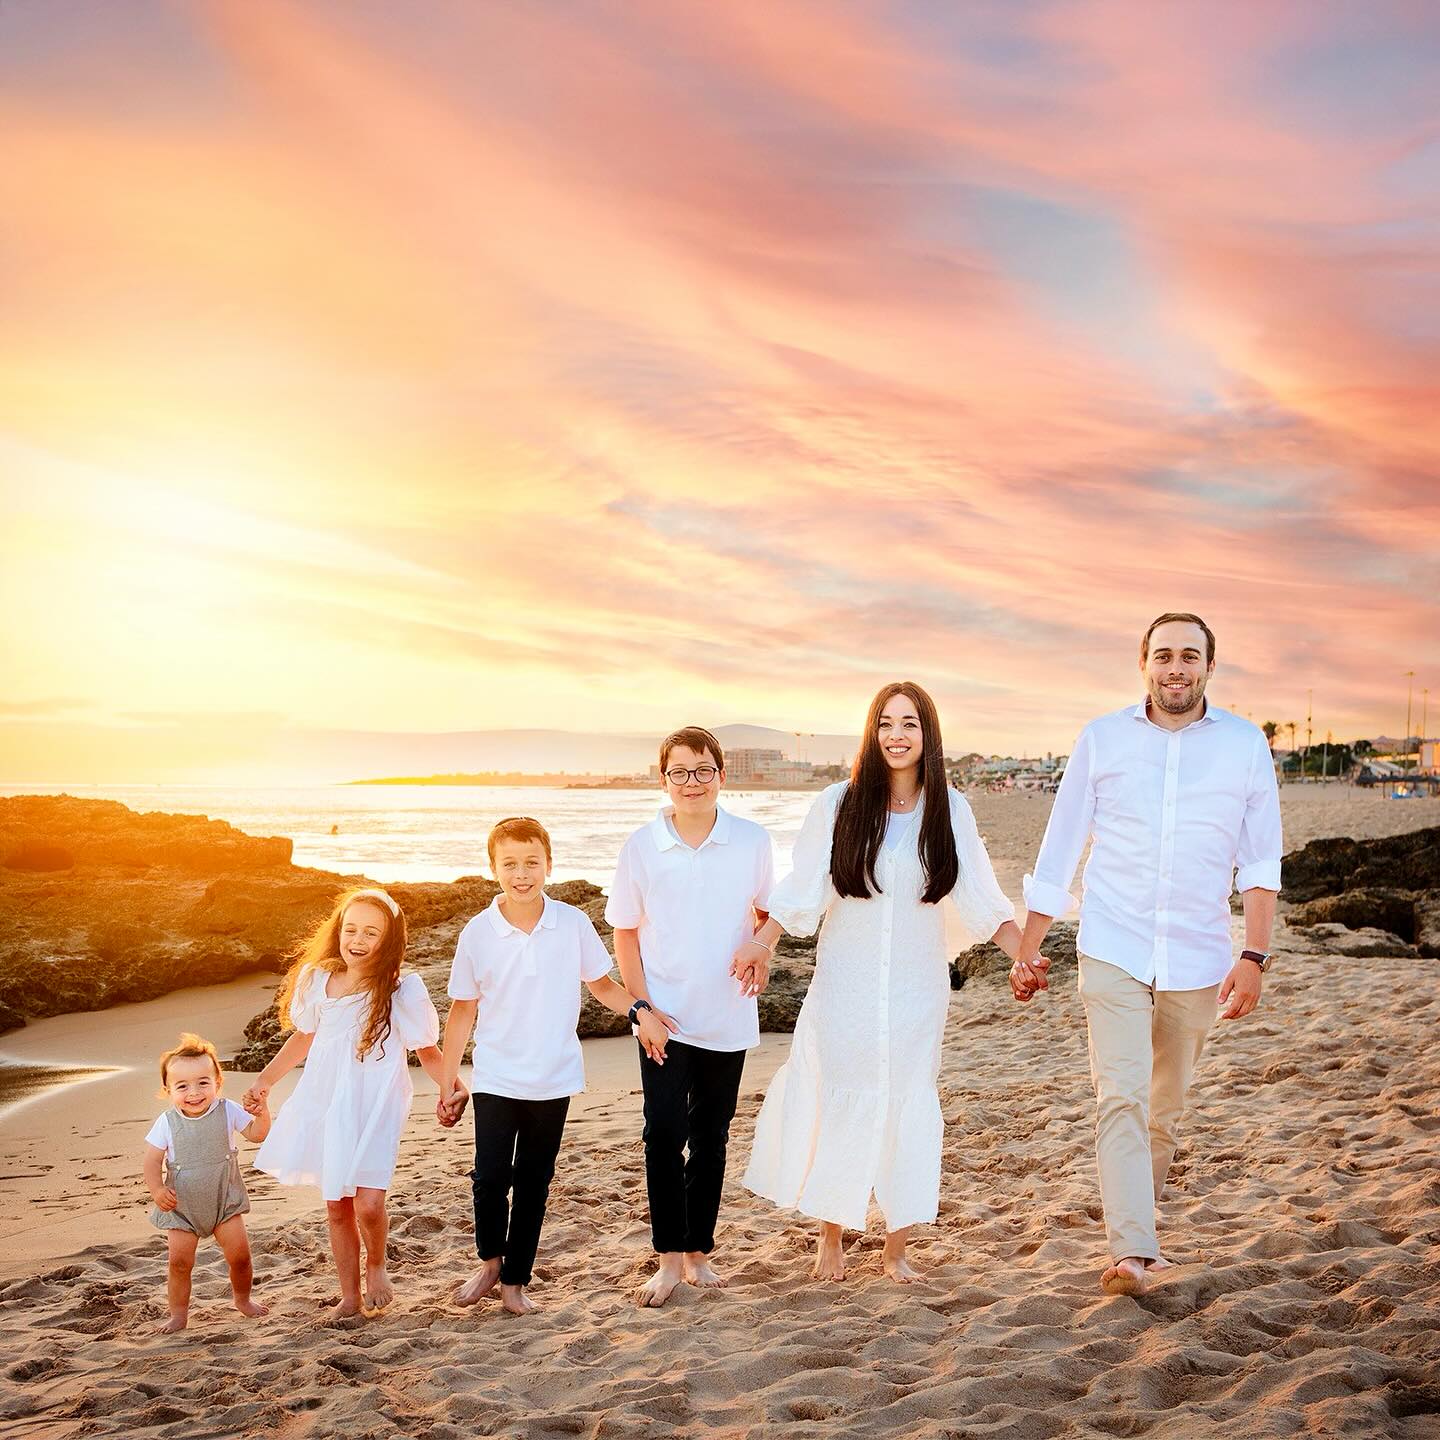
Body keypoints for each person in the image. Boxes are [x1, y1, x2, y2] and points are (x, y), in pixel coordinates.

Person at [1012, 612, 1282, 1296]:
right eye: (1163, 655)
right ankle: (1133, 1249)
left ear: (1209, 667)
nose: (1176, 668)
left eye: (1189, 656)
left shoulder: (1245, 747)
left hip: (1198, 954)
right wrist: (1028, 948)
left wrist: (1254, 955)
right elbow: (1061, 845)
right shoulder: (1102, 739)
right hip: (1112, 943)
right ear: (1144, 664)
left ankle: (1140, 1214)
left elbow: (1258, 861)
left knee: (1164, 1109)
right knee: (1121, 1096)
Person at [743, 682, 1022, 1283]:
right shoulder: (838, 802)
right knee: (840, 1095)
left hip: (918, 988)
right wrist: (762, 945)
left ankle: (896, 1248)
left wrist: (1024, 954)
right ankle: (831, 1236)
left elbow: (979, 894)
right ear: (872, 732)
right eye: (886, 724)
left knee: (907, 1099)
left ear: (929, 735)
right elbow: (804, 888)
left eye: (910, 724)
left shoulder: (951, 808)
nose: (897, 736)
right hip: (846, 981)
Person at [437, 816, 676, 1315]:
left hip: (553, 1076)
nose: (521, 873)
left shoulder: (571, 923)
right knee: (488, 1177)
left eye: (531, 862)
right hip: (497, 1075)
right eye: (509, 864)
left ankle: (514, 1282)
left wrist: (640, 1010)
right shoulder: (478, 933)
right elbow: (462, 1011)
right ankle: (490, 1261)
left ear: (549, 864)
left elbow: (602, 985)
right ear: (493, 868)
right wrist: (447, 1081)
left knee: (532, 1183)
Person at [606, 726, 777, 1307]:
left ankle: (699, 1251)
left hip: (727, 1014)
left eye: (703, 770)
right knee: (663, 1135)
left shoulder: (751, 841)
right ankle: (669, 1259)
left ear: (721, 775)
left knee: (711, 1137)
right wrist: (641, 1008)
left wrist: (763, 951)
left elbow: (766, 914)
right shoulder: (641, 846)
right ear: (664, 778)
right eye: (679, 772)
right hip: (665, 1020)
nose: (692, 782)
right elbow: (625, 934)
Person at [243, 887, 463, 1318]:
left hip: (377, 1101)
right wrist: (266, 1081)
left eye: (370, 933)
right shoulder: (318, 981)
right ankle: (349, 1295)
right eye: (351, 929)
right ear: (337, 931)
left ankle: (377, 1265)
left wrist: (451, 1088)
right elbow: (302, 1038)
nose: (357, 940)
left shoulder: (402, 990)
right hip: (327, 1099)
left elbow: (427, 1050)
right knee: (337, 1204)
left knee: (367, 1201)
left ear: (389, 940)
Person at [143, 1033, 271, 1332]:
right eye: (182, 1086)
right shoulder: (167, 1122)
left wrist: (263, 1112)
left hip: (224, 1201)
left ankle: (243, 1299)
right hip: (183, 1207)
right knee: (179, 1263)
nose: (194, 1092)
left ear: (218, 1082)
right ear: (168, 1090)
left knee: (240, 1257)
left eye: (203, 1082)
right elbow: (151, 1161)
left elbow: (257, 1134)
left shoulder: (227, 1110)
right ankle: (178, 1314)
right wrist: (157, 1189)